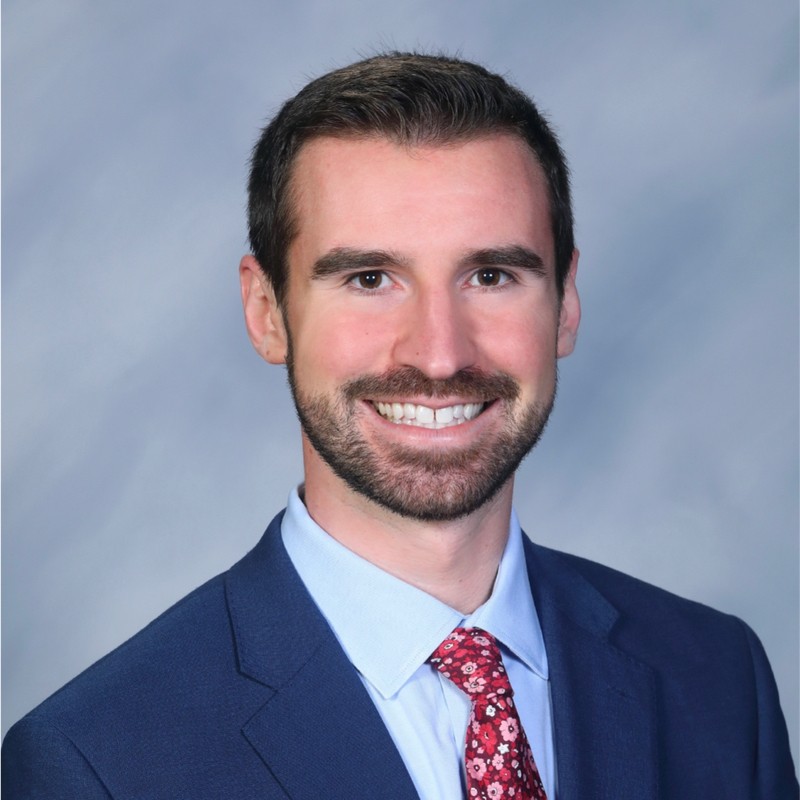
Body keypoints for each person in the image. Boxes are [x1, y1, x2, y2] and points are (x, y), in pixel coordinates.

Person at [2, 52, 797, 800]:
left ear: (565, 304)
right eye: (370, 278)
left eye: (492, 276)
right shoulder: (98, 763)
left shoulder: (719, 678)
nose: (440, 354)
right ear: (267, 312)